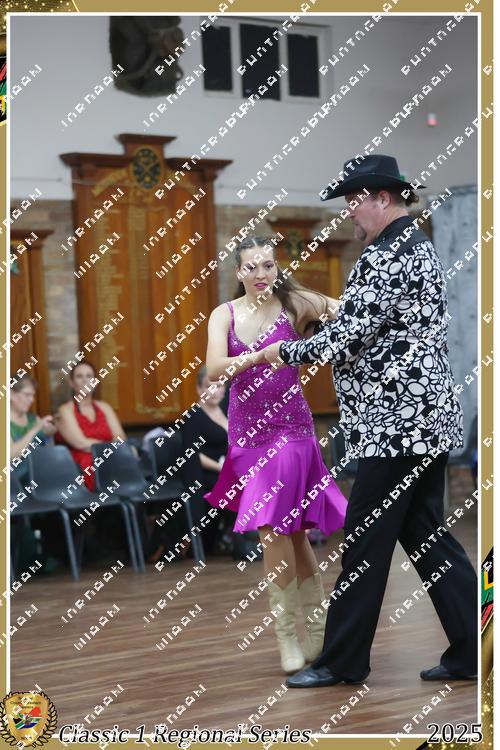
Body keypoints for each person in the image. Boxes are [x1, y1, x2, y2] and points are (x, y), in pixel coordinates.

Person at [262, 154, 478, 686]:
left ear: (384, 198)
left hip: (395, 427)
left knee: (364, 543)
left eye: (355, 201)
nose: (349, 212)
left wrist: (282, 351)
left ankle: (342, 661)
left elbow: (351, 333)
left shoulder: (386, 254)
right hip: (423, 421)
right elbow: (373, 324)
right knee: (428, 538)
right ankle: (477, 648)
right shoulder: (416, 245)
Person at [205, 235, 347, 674]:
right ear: (239, 272)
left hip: (293, 431)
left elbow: (350, 312)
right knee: (282, 532)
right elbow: (214, 368)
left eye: (268, 265)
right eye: (252, 267)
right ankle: (292, 634)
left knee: (286, 530)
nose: (261, 273)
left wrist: (321, 343)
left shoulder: (294, 303)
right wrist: (262, 356)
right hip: (248, 436)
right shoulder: (224, 314)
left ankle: (314, 631)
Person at [54, 359, 131, 491]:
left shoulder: (104, 407)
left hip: (111, 457)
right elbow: (81, 444)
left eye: (89, 376)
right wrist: (111, 448)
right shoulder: (65, 410)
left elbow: (120, 437)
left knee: (128, 455)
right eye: (79, 376)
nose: (85, 380)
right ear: (71, 383)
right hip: (80, 463)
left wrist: (112, 450)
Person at [10, 374, 56, 482]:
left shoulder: (34, 419)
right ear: (11, 394)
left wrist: (48, 436)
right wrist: (35, 429)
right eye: (27, 395)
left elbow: (49, 453)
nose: (32, 400)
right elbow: (11, 455)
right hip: (15, 481)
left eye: (33, 395)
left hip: (41, 476)